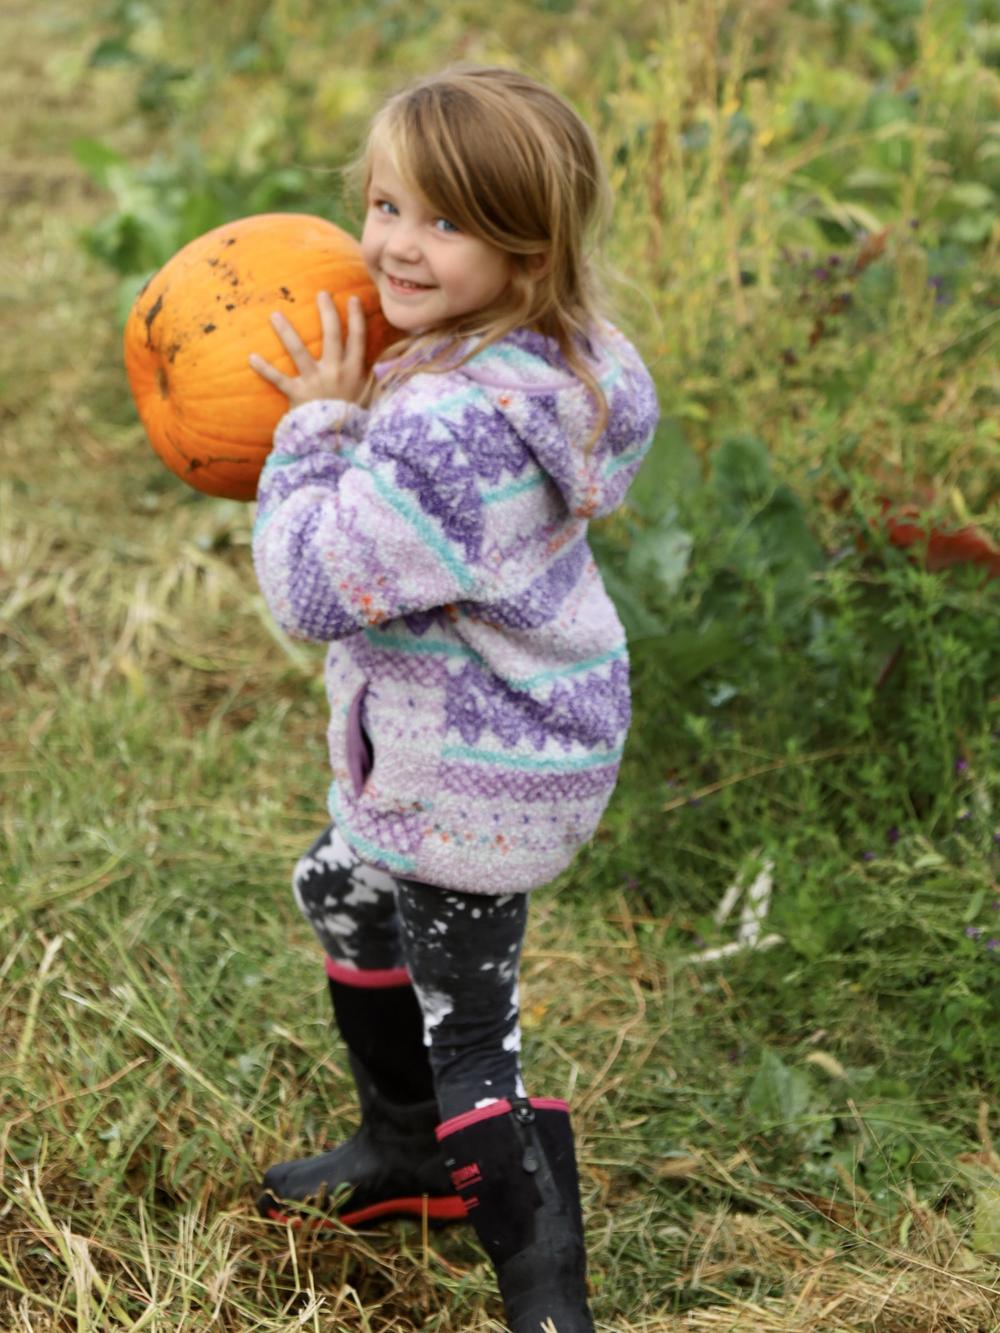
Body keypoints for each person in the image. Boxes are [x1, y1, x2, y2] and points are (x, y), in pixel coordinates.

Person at [248, 64, 659, 1333]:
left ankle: (546, 1297)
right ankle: (404, 1149)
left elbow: (312, 588)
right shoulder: (546, 362)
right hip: (497, 741)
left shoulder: (446, 423)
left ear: (527, 248)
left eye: (445, 221)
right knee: (339, 887)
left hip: (469, 774)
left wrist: (316, 432)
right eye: (386, 205)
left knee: (472, 1033)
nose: (397, 244)